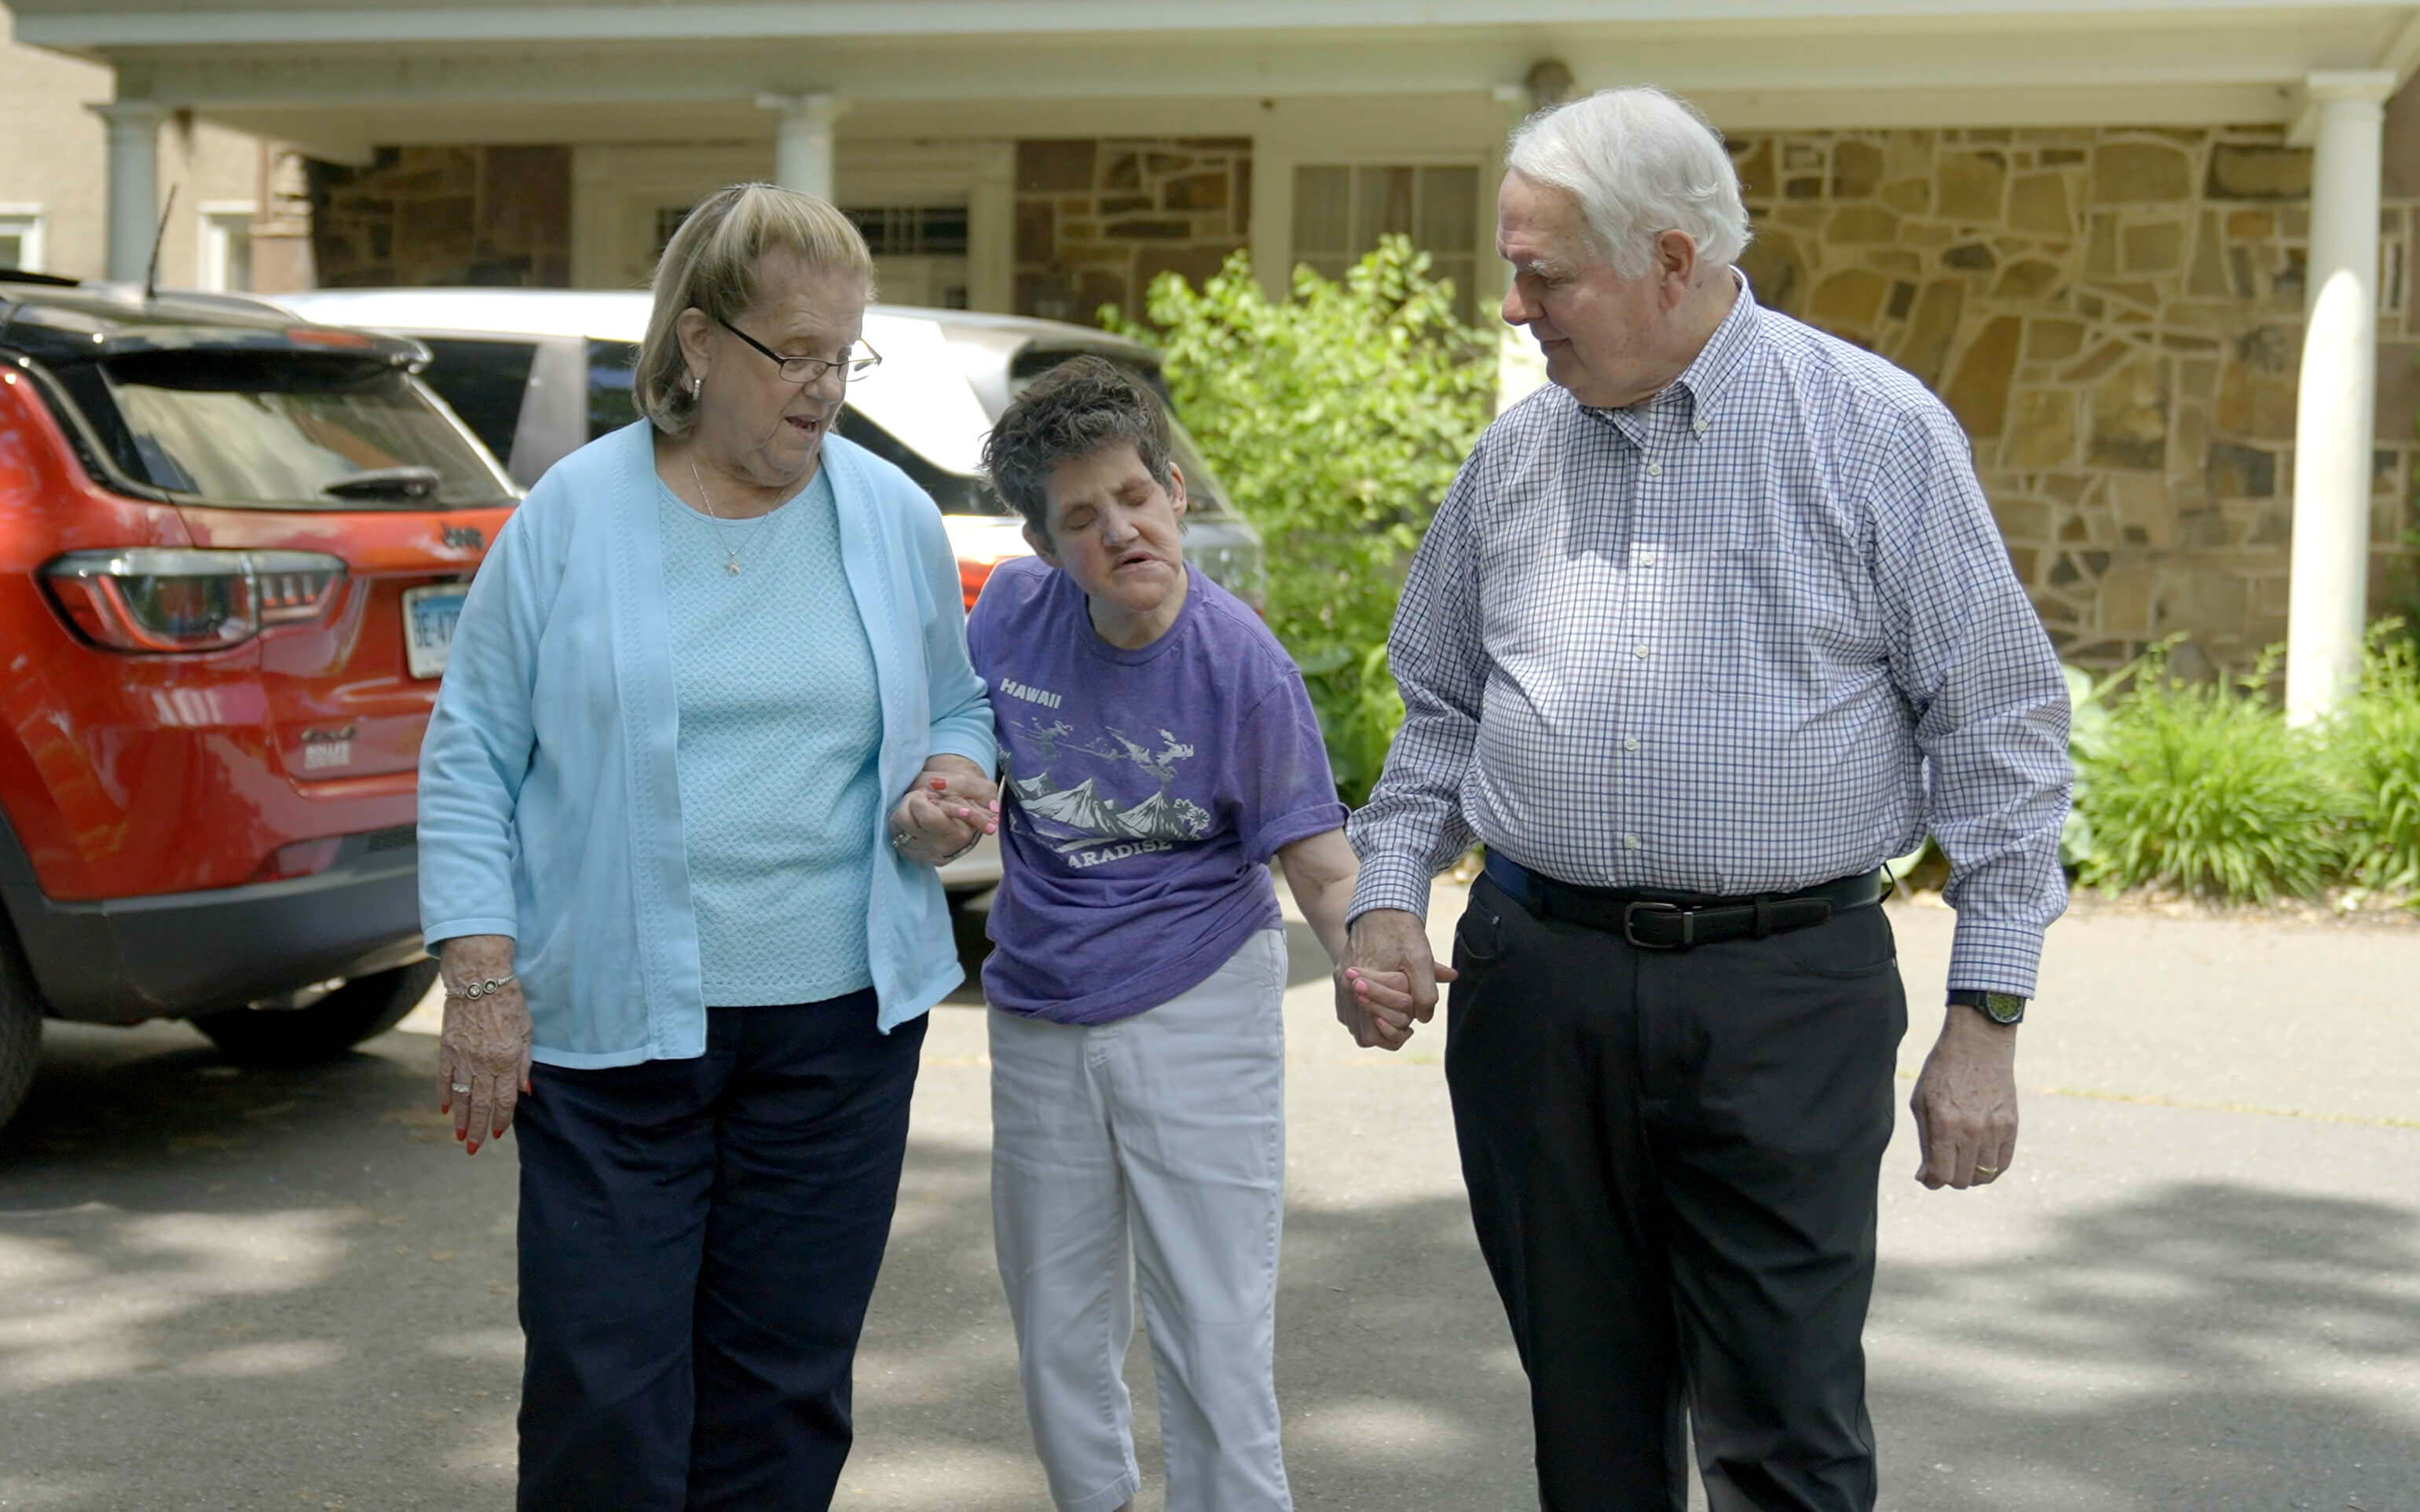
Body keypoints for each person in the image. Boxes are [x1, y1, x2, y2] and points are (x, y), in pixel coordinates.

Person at [1342, 88, 2073, 1511]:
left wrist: (1982, 1023)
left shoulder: (1872, 434)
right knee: (1589, 1429)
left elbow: (2001, 736)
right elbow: (1438, 709)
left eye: (1542, 271)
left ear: (1669, 261)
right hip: (1534, 987)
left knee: (1783, 1436)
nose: (1510, 306)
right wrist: (1384, 898)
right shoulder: (1512, 457)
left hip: (1781, 998)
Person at [416, 182, 1001, 1511]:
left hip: (838, 1036)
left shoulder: (889, 513)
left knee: (784, 1393)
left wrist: (951, 775)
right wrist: (481, 978)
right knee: (602, 1391)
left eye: (843, 356)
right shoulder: (574, 513)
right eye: (790, 352)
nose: (823, 387)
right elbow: (470, 753)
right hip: (611, 1040)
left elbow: (953, 698)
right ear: (696, 343)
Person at [967, 357, 1422, 1512]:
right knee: (1057, 1329)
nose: (1118, 529)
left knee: (1212, 1328)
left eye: (1132, 496)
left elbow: (1315, 863)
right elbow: (953, 739)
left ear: (1172, 489)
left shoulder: (1242, 667)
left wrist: (1368, 958)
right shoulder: (1011, 618)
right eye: (1080, 517)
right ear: (1042, 547)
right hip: (1036, 1007)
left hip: (1197, 999)